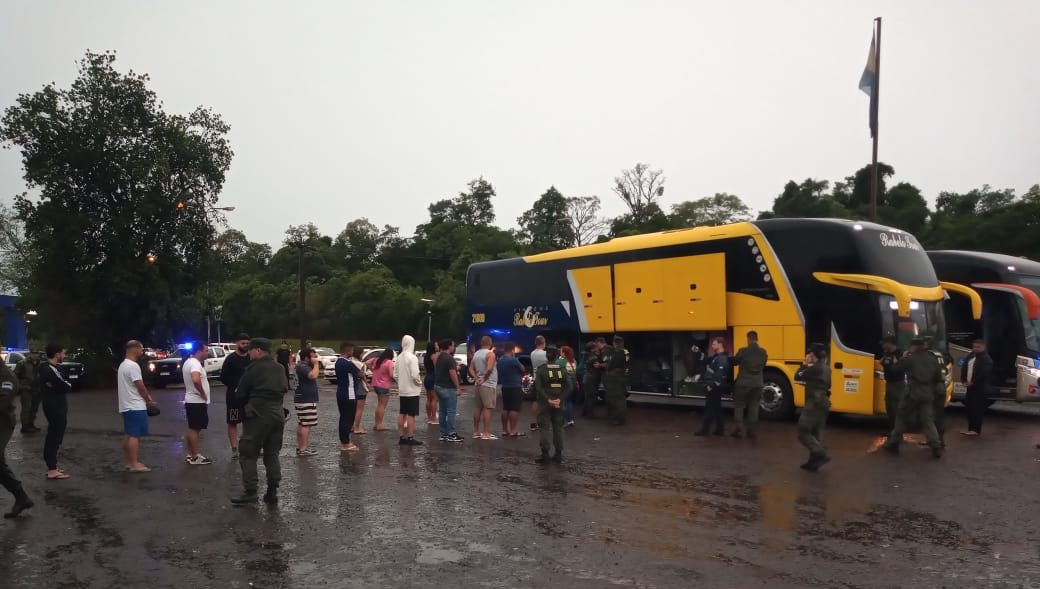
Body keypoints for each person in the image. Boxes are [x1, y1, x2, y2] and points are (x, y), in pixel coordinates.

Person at [232, 338, 289, 505]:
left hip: (257, 415)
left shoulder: (253, 369)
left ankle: (251, 492)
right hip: (278, 416)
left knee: (248, 453)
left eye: (250, 350)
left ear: (257, 350)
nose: (248, 353)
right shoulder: (279, 368)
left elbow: (240, 394)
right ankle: (272, 492)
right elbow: (284, 388)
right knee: (272, 454)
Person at [883, 338, 944, 458]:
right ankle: (936, 446)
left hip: (912, 393)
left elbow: (895, 369)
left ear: (914, 347)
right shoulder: (932, 359)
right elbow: (938, 377)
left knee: (901, 416)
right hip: (927, 394)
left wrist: (902, 358)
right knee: (928, 421)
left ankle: (894, 443)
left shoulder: (910, 359)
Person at [1, 355, 33, 517]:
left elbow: (4, 401)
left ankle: (21, 496)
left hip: (2, 422)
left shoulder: (6, 375)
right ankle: (21, 497)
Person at [118, 341, 156, 472]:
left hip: (126, 405)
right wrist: (148, 400)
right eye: (141, 348)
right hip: (135, 405)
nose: (142, 351)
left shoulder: (123, 365)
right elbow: (140, 385)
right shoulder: (133, 366)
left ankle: (129, 461)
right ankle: (134, 464)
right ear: (134, 349)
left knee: (129, 434)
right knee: (135, 435)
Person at [40, 343, 72, 480]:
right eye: (62, 353)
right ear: (57, 354)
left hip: (55, 405)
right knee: (54, 435)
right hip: (54, 406)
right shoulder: (48, 369)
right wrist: (67, 385)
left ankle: (52, 466)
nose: (64, 355)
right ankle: (52, 469)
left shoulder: (52, 368)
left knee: (56, 435)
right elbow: (65, 385)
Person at [535, 347, 572, 464]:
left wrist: (548, 399)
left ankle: (545, 455)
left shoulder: (541, 370)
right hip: (558, 403)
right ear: (557, 356)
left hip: (544, 404)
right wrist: (559, 399)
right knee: (558, 428)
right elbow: (569, 386)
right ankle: (558, 455)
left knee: (544, 428)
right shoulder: (562, 369)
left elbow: (538, 387)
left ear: (546, 356)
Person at [220, 333, 252, 459]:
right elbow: (223, 377)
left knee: (248, 421)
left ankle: (248, 446)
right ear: (237, 343)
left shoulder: (250, 358)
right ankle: (234, 449)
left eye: (247, 343)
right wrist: (235, 385)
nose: (245, 346)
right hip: (233, 397)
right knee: (233, 422)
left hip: (249, 396)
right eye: (243, 343)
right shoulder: (230, 359)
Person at [730, 331, 768, 438]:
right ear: (757, 339)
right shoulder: (763, 352)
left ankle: (738, 428)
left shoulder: (743, 351)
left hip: (743, 383)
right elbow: (763, 364)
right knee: (754, 406)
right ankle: (751, 431)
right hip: (758, 384)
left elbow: (734, 362)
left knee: (739, 405)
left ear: (748, 339)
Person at [182, 342, 214, 465]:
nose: (208, 353)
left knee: (192, 428)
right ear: (199, 351)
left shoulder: (188, 362)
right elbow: (195, 379)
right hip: (196, 401)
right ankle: (195, 456)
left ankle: (191, 454)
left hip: (192, 400)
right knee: (195, 429)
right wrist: (203, 393)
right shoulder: (195, 364)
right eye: (206, 350)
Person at [695, 337, 729, 436]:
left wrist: (712, 385)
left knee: (709, 408)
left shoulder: (721, 359)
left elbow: (720, 374)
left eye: (714, 344)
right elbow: (706, 360)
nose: (712, 346)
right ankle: (720, 429)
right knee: (717, 408)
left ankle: (705, 429)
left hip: (714, 387)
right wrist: (698, 352)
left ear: (720, 345)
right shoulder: (716, 357)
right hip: (715, 386)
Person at [394, 335, 423, 446]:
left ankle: (401, 437)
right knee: (411, 414)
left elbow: (395, 374)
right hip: (412, 390)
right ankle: (410, 437)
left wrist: (401, 382)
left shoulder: (399, 357)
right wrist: (419, 383)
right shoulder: (412, 357)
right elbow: (415, 375)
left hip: (402, 389)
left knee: (402, 413)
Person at [961, 339, 993, 437]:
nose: (975, 348)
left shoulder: (986, 359)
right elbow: (964, 368)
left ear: (983, 347)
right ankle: (971, 429)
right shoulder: (970, 356)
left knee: (977, 409)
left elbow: (983, 374)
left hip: (980, 388)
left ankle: (976, 429)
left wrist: (973, 382)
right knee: (969, 407)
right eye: (974, 346)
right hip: (970, 387)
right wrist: (963, 381)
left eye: (978, 347)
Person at [469, 336, 498, 440]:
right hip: (488, 384)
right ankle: (486, 432)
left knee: (478, 408)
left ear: (481, 343)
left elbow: (471, 368)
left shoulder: (476, 353)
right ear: (490, 343)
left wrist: (476, 377)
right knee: (487, 408)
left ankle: (476, 431)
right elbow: (489, 368)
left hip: (478, 384)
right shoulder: (490, 354)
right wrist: (484, 378)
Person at [434, 338, 463, 443]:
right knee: (451, 411)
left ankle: (443, 434)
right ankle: (451, 433)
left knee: (442, 411)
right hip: (448, 387)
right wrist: (458, 387)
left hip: (438, 386)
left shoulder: (439, 357)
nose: (454, 347)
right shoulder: (449, 358)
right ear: (449, 346)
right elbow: (452, 374)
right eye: (453, 345)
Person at [923, 337, 950, 448]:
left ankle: (934, 441)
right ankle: (939, 440)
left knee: (929, 416)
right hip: (941, 387)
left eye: (922, 343)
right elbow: (945, 370)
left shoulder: (928, 355)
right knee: (938, 415)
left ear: (927, 344)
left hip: (932, 388)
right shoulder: (938, 354)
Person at [294, 347, 320, 456]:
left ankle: (301, 447)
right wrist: (316, 364)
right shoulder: (303, 367)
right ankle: (303, 449)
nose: (315, 359)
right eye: (313, 357)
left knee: (302, 423)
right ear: (306, 358)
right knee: (306, 425)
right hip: (306, 398)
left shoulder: (301, 366)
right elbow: (313, 375)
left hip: (302, 398)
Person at [334, 343, 361, 452]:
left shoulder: (338, 362)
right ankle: (346, 443)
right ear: (349, 351)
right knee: (348, 419)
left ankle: (343, 441)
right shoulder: (348, 363)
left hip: (340, 392)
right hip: (349, 394)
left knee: (343, 418)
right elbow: (360, 374)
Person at [878, 336, 906, 431]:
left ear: (890, 343)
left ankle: (898, 432)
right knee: (889, 408)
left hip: (898, 384)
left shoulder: (900, 353)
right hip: (889, 383)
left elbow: (902, 367)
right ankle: (892, 430)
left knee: (896, 408)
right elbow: (883, 362)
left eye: (884, 343)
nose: (882, 345)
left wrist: (896, 363)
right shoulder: (886, 353)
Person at [497, 345, 525, 437]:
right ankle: (513, 430)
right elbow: (522, 369)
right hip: (515, 386)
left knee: (506, 408)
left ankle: (504, 430)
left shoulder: (500, 360)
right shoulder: (514, 360)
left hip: (505, 386)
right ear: (512, 350)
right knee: (514, 409)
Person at [603, 336, 629, 426]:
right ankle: (621, 418)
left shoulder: (617, 354)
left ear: (615, 343)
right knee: (621, 398)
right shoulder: (625, 353)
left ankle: (618, 419)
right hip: (621, 377)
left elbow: (609, 366)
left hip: (615, 379)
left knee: (616, 399)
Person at [14, 350, 42, 434]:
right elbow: (15, 377)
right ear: (30, 354)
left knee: (34, 408)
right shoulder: (22, 363)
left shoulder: (40, 363)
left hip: (37, 389)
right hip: (26, 389)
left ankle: (31, 425)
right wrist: (22, 386)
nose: (35, 355)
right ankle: (25, 427)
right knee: (26, 408)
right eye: (33, 353)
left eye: (36, 353)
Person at [371, 349, 395, 432]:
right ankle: (379, 425)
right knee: (382, 406)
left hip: (376, 384)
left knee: (379, 405)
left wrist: (373, 370)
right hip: (384, 385)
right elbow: (392, 375)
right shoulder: (389, 362)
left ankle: (376, 423)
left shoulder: (376, 360)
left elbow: (366, 363)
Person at [582, 339, 605, 418]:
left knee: (587, 396)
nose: (597, 348)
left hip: (587, 378)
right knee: (591, 397)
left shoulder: (587, 355)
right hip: (591, 379)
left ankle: (585, 412)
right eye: (595, 347)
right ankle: (590, 414)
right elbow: (597, 366)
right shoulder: (593, 357)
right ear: (592, 349)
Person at [529, 335, 548, 430]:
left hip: (536, 379)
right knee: (545, 402)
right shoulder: (545, 354)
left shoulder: (532, 353)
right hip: (544, 380)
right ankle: (543, 422)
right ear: (543, 343)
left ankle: (533, 422)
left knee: (535, 401)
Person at [351, 347, 371, 435]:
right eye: (362, 353)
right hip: (360, 386)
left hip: (352, 387)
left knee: (353, 409)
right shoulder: (360, 364)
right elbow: (362, 376)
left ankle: (351, 426)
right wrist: (367, 384)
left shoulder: (350, 362)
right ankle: (357, 427)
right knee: (359, 409)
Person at [560, 345, 578, 427]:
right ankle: (571, 420)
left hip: (565, 384)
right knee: (569, 402)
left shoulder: (561, 361)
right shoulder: (574, 361)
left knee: (562, 402)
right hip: (573, 384)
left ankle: (564, 421)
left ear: (564, 353)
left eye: (561, 351)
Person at [424, 341, 439, 426]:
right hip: (433, 378)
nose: (438, 346)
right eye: (436, 345)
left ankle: (429, 417)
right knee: (434, 399)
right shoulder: (434, 356)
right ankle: (434, 418)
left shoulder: (426, 356)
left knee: (429, 399)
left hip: (427, 377)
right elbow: (436, 369)